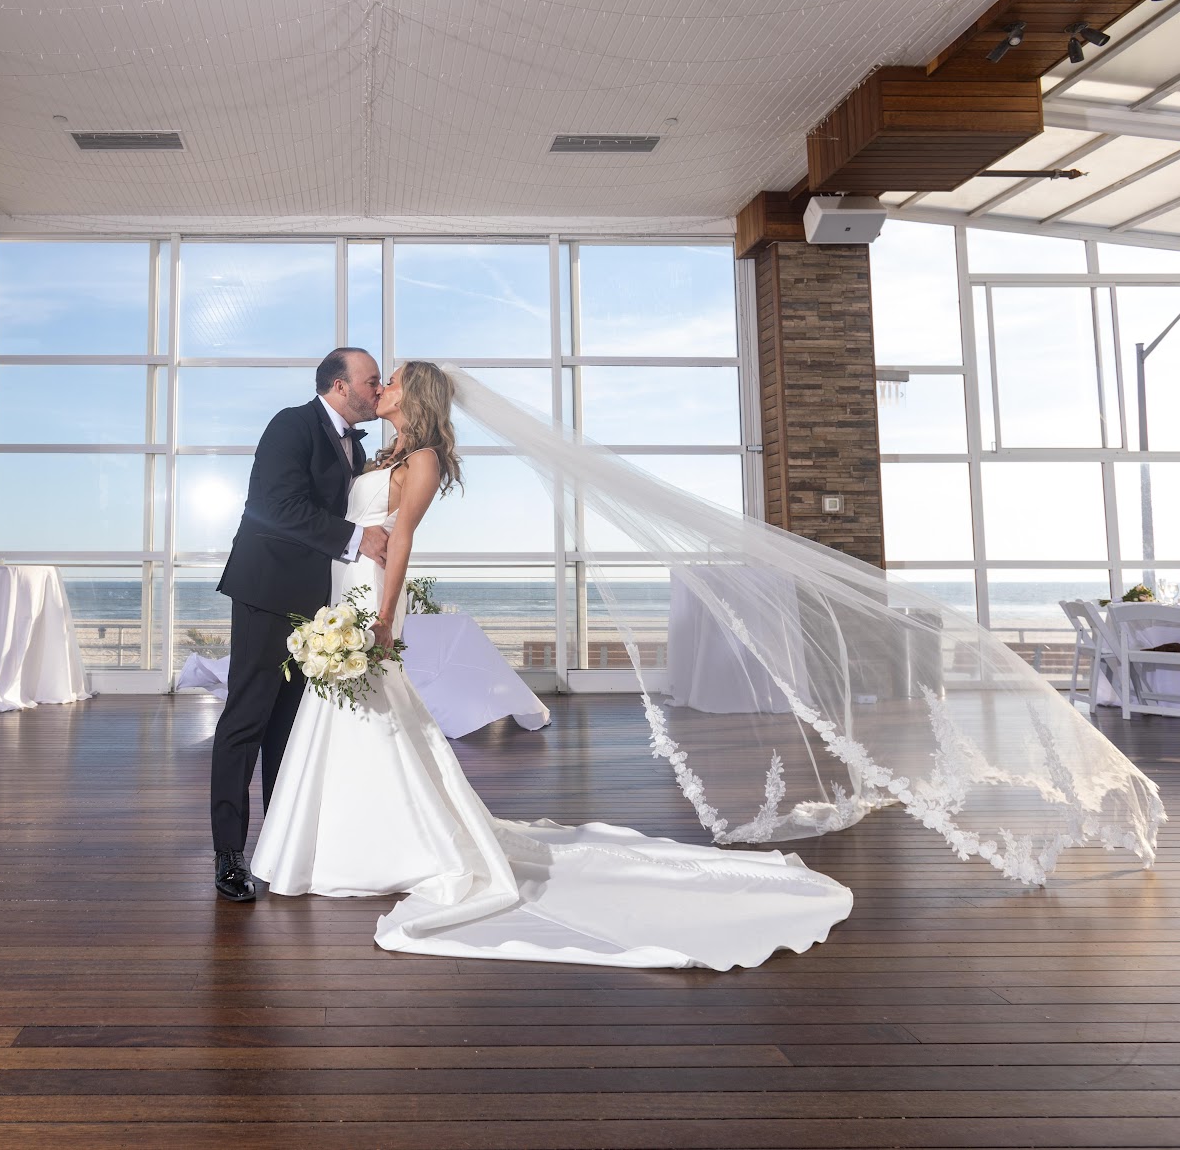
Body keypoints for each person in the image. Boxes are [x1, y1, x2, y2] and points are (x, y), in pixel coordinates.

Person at [250, 361, 857, 970]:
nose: (382, 386)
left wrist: (385, 616)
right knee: (348, 708)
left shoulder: (425, 459)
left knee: (369, 705)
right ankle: (344, 832)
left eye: (395, 380)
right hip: (344, 585)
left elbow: (402, 537)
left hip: (372, 592)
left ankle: (381, 842)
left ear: (418, 395)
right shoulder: (380, 453)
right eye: (379, 380)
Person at [209, 347, 390, 903]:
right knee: (246, 721)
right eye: (371, 381)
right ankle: (229, 854)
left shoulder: (354, 445)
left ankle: (277, 846)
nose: (378, 389)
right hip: (267, 593)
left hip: (314, 604)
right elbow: (276, 506)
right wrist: (358, 539)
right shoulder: (291, 424)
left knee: (286, 729)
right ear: (340, 386)